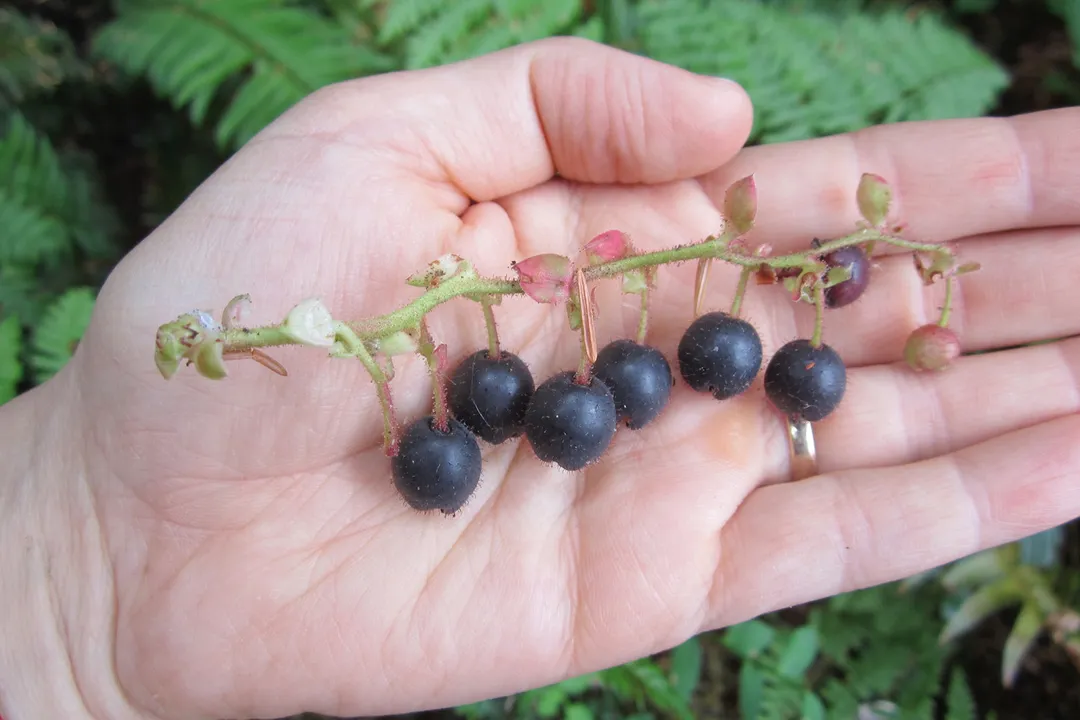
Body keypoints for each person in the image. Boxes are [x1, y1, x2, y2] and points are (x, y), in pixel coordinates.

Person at [1, 37, 1077, 720]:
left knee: (615, 386)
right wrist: (74, 515)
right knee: (542, 400)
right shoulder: (489, 388)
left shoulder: (615, 371)